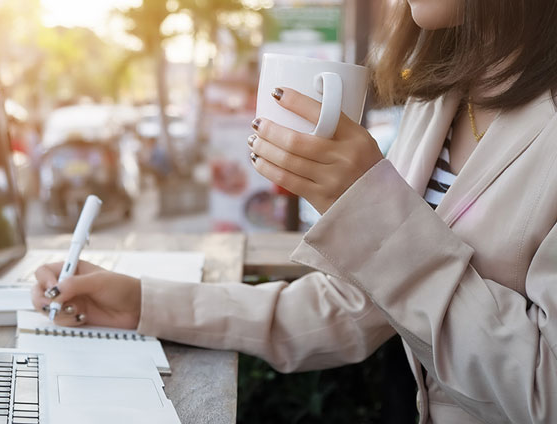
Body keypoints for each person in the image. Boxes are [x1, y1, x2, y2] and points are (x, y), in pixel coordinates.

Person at [31, 1, 557, 423]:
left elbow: (544, 394)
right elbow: (354, 309)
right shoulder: (440, 98)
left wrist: (372, 211)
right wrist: (143, 303)